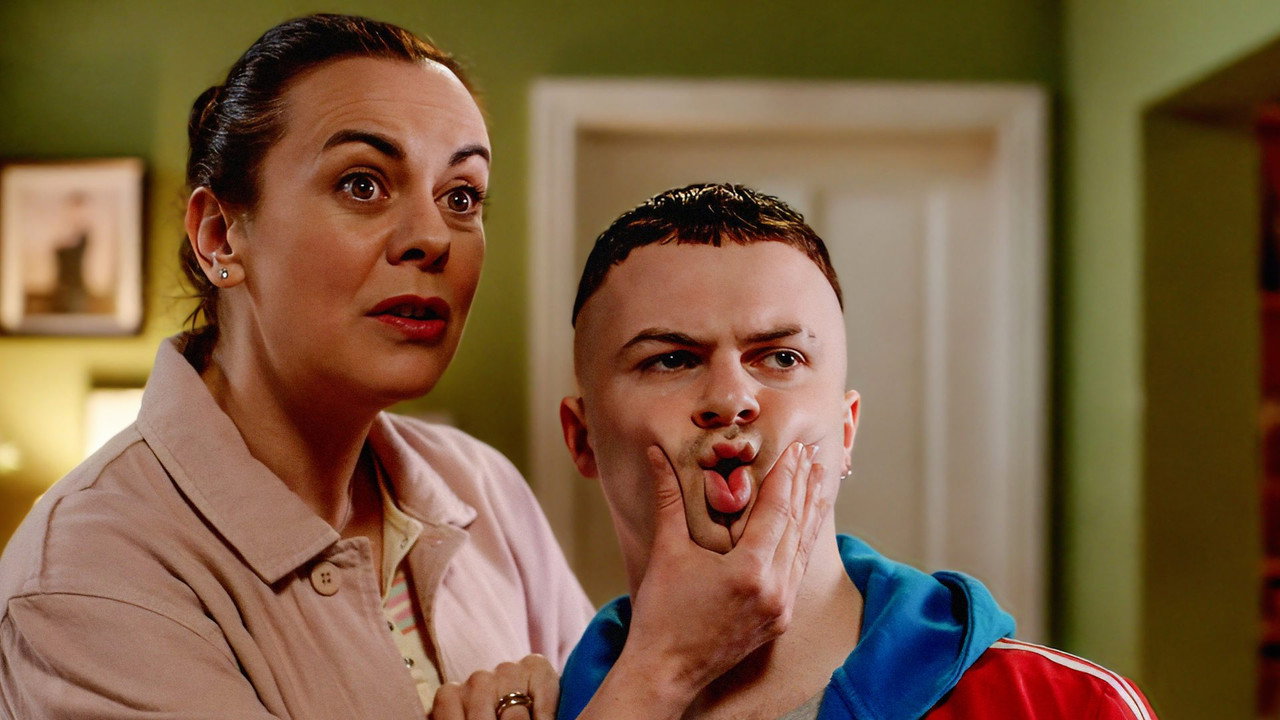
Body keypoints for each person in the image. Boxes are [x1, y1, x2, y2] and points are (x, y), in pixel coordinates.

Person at [0, 17, 825, 720]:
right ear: (220, 235)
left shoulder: (482, 489)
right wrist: (667, 666)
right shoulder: (87, 580)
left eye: (462, 196)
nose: (432, 237)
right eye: (363, 184)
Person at [556, 183, 1161, 719]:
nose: (732, 399)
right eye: (671, 360)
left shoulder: (1071, 708)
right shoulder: (532, 707)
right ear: (583, 439)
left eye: (781, 357)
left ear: (846, 432)